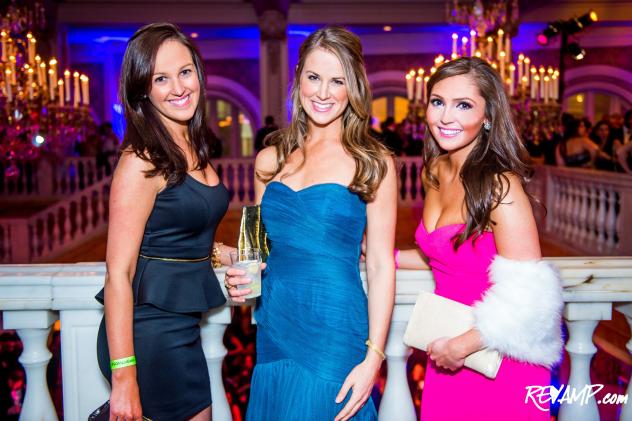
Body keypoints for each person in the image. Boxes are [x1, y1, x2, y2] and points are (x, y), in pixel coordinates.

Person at [225, 26, 396, 421]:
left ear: (354, 87)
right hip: (275, 326)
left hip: (336, 327)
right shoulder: (268, 159)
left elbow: (380, 264)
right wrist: (239, 276)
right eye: (314, 77)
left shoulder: (373, 162)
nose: (323, 93)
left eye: (337, 81)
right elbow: (257, 251)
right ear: (298, 77)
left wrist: (374, 357)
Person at [395, 57, 563, 419]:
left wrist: (461, 346)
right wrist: (383, 256)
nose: (445, 117)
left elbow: (532, 295)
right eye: (438, 102)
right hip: (447, 352)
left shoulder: (499, 185)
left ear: (488, 116)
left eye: (463, 105)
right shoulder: (434, 171)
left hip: (496, 359)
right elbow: (446, 254)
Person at [94, 23, 228, 420]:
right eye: (161, 78)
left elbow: (179, 236)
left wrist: (227, 256)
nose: (178, 87)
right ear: (143, 90)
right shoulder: (141, 161)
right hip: (148, 335)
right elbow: (118, 274)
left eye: (185, 72)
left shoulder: (191, 145)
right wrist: (124, 378)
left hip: (180, 329)